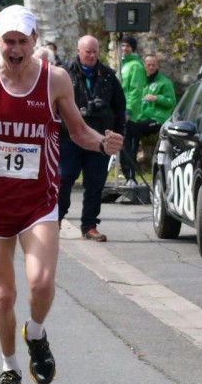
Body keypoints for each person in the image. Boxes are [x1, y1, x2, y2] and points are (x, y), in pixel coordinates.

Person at [0, 5, 123, 384]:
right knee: (4, 295)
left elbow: (78, 131)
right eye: (9, 41)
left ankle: (36, 334)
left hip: (38, 201)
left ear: (34, 41)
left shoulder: (54, 80)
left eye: (23, 41)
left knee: (40, 283)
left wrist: (102, 143)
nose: (16, 49)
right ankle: (10, 371)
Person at [58, 35, 126, 241]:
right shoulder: (63, 74)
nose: (92, 56)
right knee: (63, 180)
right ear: (78, 51)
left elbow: (120, 107)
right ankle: (56, 220)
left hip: (98, 141)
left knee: (95, 184)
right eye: (88, 52)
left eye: (95, 52)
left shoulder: (107, 76)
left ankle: (89, 226)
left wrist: (117, 136)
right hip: (68, 138)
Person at [127, 54, 177, 166]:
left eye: (153, 65)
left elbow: (172, 102)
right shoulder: (140, 82)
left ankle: (131, 165)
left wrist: (157, 98)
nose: (151, 67)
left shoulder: (165, 82)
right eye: (148, 65)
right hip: (141, 117)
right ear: (144, 65)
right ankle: (128, 164)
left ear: (157, 65)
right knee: (128, 128)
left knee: (134, 129)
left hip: (158, 119)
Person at [118, 36, 147, 186]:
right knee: (121, 144)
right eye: (122, 46)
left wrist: (128, 111)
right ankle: (127, 177)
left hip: (129, 113)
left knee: (128, 146)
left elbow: (135, 91)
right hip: (120, 110)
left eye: (128, 46)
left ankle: (131, 177)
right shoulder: (123, 64)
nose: (124, 49)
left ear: (133, 48)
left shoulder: (135, 66)